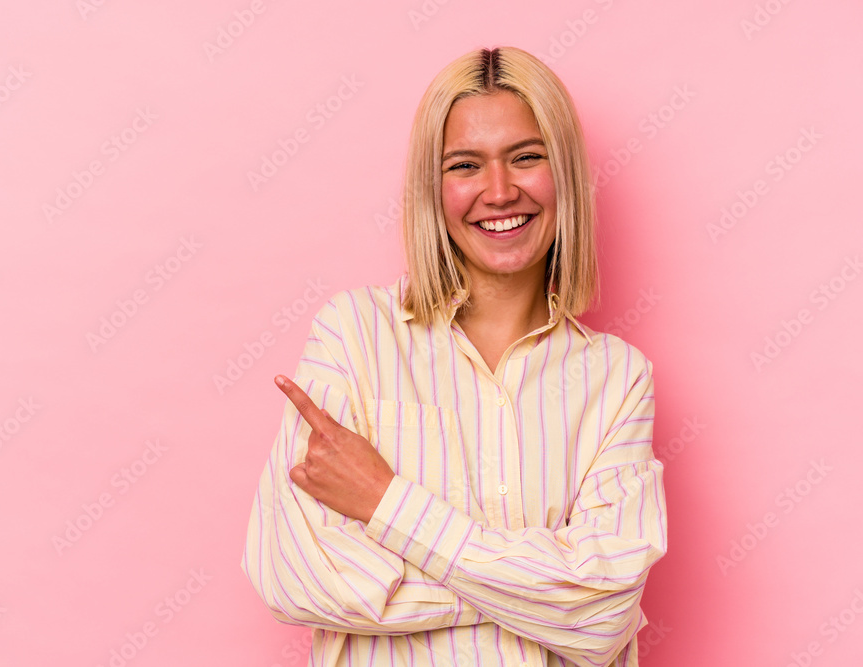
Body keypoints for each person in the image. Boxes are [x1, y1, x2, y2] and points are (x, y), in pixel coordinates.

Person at [241, 46, 667, 667]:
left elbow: (604, 619)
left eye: (526, 158)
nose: (499, 192)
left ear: (564, 173)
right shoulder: (354, 335)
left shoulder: (617, 378)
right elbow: (292, 573)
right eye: (465, 165)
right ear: (432, 187)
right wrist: (552, 595)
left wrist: (386, 503)